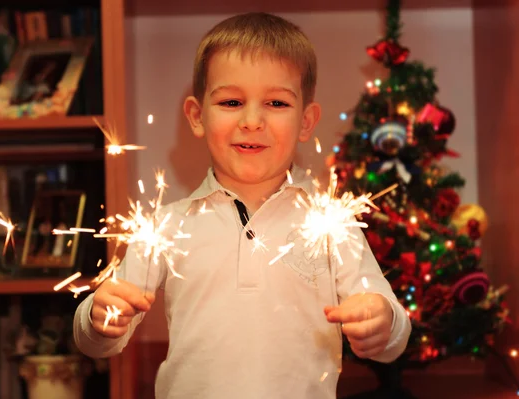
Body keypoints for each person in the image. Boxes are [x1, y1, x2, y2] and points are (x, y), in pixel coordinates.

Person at [73, 12, 411, 399]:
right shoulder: (166, 226)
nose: (252, 120)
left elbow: (394, 342)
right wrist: (97, 318)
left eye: (276, 103)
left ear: (306, 121)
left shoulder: (332, 224)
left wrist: (383, 324)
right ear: (197, 116)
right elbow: (99, 344)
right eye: (232, 101)